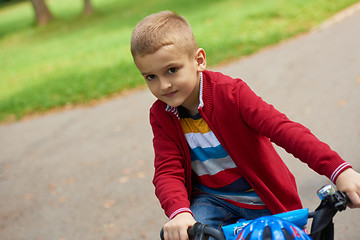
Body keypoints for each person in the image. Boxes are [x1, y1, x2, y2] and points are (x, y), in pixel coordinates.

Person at [130, 10, 360, 240]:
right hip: (212, 200)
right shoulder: (162, 114)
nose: (164, 85)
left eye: (172, 70)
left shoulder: (231, 94)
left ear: (199, 60)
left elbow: (284, 130)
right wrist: (179, 213)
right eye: (151, 77)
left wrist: (339, 170)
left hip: (262, 196)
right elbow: (167, 170)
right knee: (189, 235)